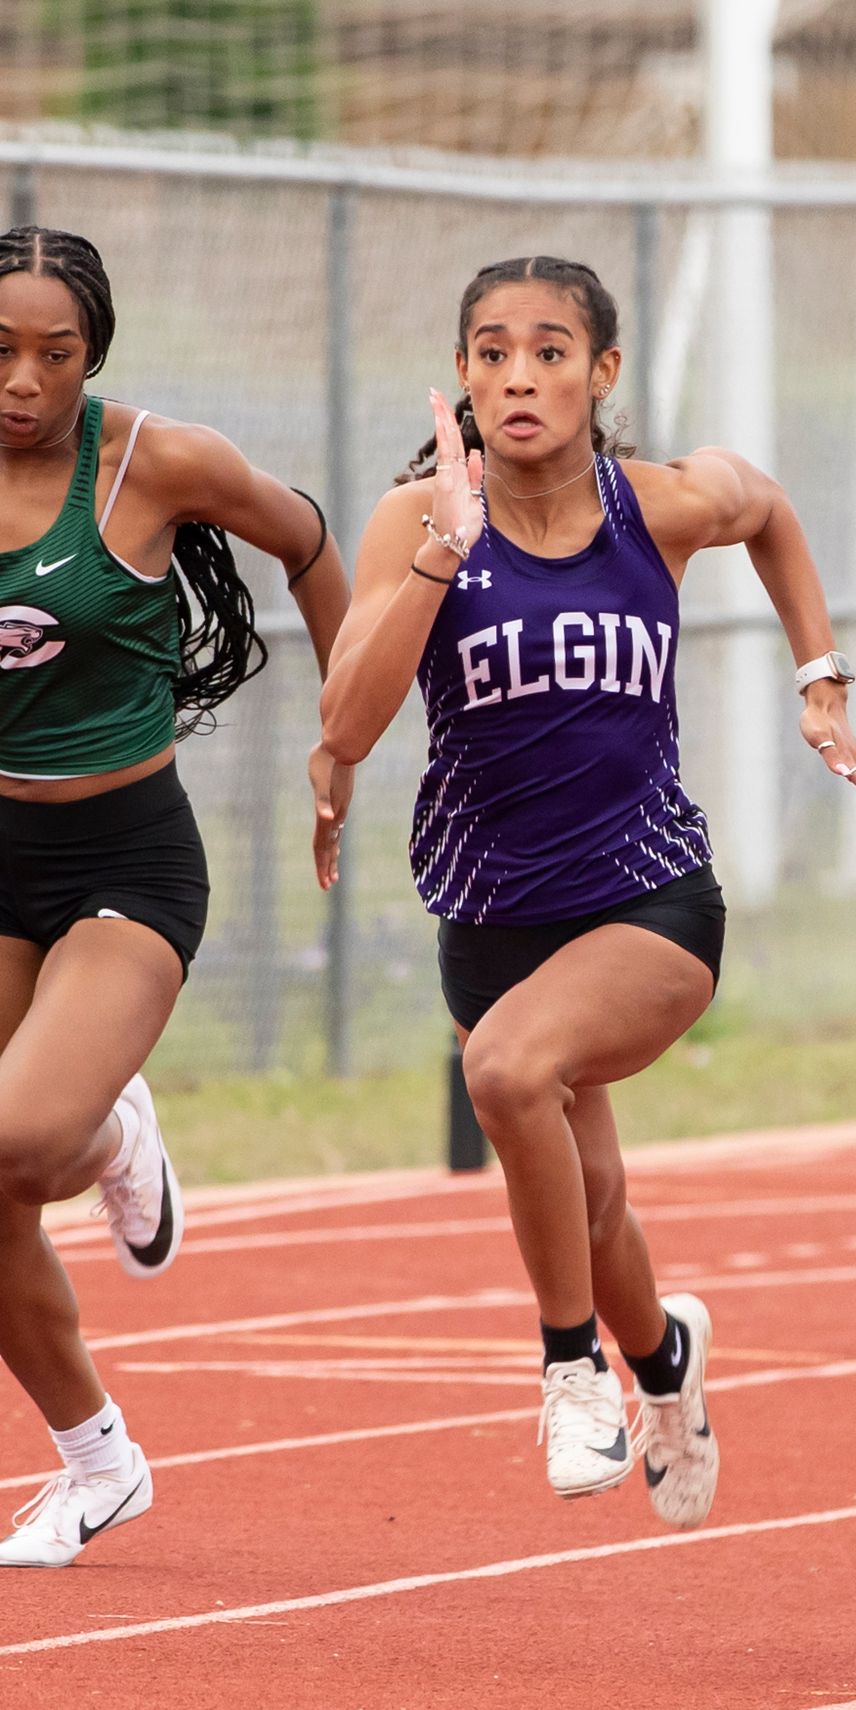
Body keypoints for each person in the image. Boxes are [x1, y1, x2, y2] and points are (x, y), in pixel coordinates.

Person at [319, 255, 856, 1531]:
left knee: (506, 1078)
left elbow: (769, 514)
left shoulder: (659, 504)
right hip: (489, 918)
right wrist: (439, 556)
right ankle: (666, 1366)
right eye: (490, 352)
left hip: (648, 897)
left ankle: (567, 1365)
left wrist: (823, 674)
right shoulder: (415, 520)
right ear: (463, 377)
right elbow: (350, 724)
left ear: (603, 371)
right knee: (589, 1204)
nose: (519, 376)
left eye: (548, 350)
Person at [0, 224, 353, 1566]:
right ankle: (99, 1465)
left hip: (124, 863)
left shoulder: (156, 463)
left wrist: (346, 733)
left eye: (56, 354)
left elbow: (310, 540)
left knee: (20, 1142)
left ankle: (100, 1127)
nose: (23, 380)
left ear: (94, 358)